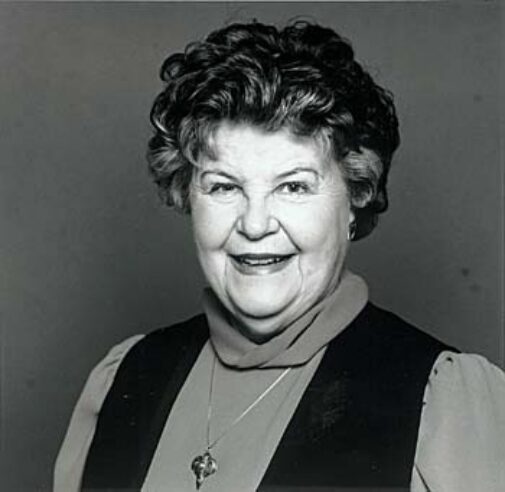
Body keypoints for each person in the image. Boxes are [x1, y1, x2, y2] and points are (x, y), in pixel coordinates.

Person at [54, 20, 505, 492]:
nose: (254, 225)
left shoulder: (443, 403)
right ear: (187, 195)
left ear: (356, 197)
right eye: (224, 186)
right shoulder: (123, 379)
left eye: (293, 187)